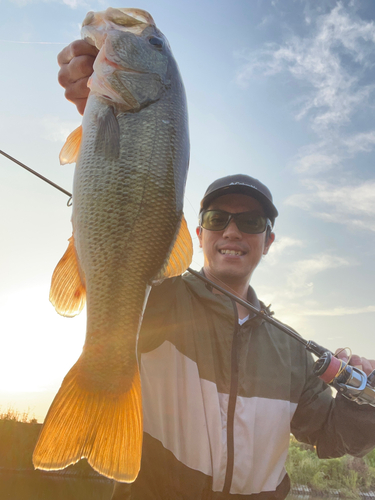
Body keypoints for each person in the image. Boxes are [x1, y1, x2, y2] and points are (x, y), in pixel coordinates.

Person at [57, 40, 375, 500]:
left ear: (268, 242)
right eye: (216, 218)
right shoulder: (156, 298)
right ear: (197, 233)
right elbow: (118, 224)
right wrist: (100, 107)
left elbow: (328, 434)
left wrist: (365, 401)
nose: (232, 230)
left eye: (250, 222)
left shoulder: (290, 353)